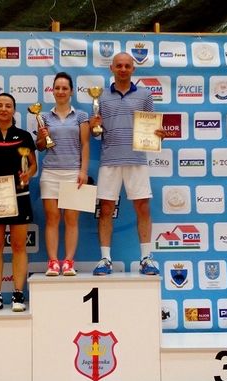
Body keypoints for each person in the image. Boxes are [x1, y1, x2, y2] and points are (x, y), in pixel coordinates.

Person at [90, 52, 167, 276]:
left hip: (136, 159)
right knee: (106, 209)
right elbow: (96, 134)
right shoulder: (100, 97)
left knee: (143, 208)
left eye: (127, 66)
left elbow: (152, 127)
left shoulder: (145, 95)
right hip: (110, 160)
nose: (123, 69)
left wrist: (158, 135)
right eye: (119, 66)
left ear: (133, 69)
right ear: (111, 68)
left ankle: (146, 258)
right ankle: (105, 259)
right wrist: (95, 127)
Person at [0, 93, 37, 312]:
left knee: (19, 246)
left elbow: (33, 165)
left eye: (8, 105)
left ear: (14, 110)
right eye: (0, 105)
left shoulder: (24, 136)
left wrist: (28, 174)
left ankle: (18, 293)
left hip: (19, 196)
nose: (4, 109)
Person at [36, 72, 90, 277]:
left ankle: (68, 261)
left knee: (71, 219)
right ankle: (53, 262)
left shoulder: (81, 116)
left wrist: (83, 171)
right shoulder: (43, 117)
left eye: (64, 88)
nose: (60, 91)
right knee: (52, 219)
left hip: (73, 172)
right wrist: (43, 137)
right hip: (50, 172)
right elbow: (40, 146)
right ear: (52, 91)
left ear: (71, 91)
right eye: (57, 88)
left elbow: (85, 144)